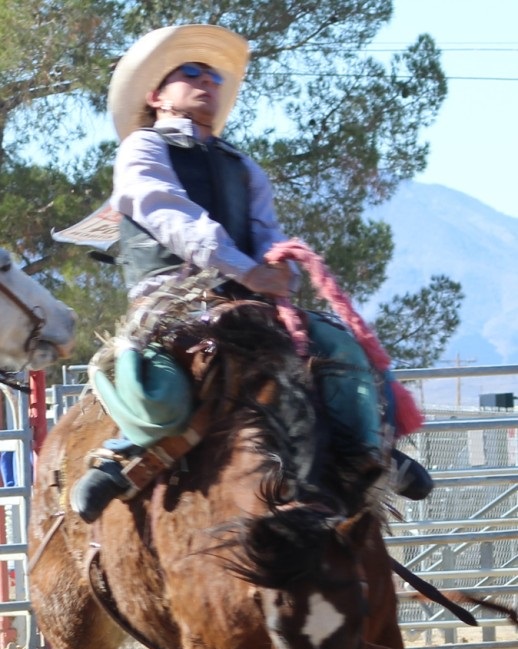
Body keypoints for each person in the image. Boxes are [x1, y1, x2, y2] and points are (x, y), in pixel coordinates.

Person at [70, 23, 432, 523]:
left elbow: (265, 230)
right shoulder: (143, 149)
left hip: (246, 300)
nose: (208, 82)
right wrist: (245, 269)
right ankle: (128, 454)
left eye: (214, 77)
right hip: (172, 302)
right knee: (163, 391)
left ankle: (369, 456)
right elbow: (170, 214)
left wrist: (274, 268)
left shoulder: (243, 165)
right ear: (156, 94)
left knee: (339, 349)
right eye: (191, 72)